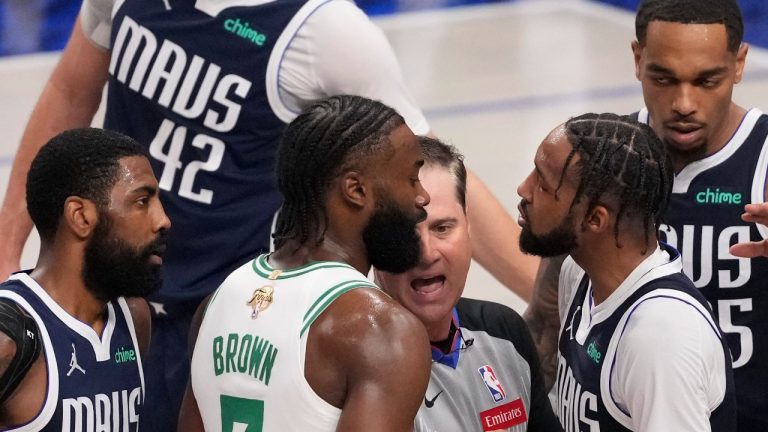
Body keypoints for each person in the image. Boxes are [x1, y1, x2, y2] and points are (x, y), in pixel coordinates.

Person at [0, 1, 537, 427]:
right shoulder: (377, 332)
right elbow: (70, 92)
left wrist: (551, 292)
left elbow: (431, 169)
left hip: (214, 308)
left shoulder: (328, 31)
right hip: (129, 305)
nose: (420, 199)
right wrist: (4, 246)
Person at [526, 1, 768, 430]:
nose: (684, 102)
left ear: (739, 63)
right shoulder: (602, 160)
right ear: (638, 59)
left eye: (707, 80)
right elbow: (549, 322)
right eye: (664, 78)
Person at [177, 95, 431, 432]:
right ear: (355, 190)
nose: (422, 197)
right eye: (412, 178)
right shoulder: (380, 329)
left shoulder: (216, 304)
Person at [518, 113, 735, 431]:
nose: (524, 189)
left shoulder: (660, 337)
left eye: (542, 182)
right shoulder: (577, 274)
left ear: (595, 220)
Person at [374, 136, 560, 432]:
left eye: (442, 228)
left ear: (469, 230)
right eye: (405, 231)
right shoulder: (354, 366)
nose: (426, 253)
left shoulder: (505, 332)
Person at [0, 128, 170, 429]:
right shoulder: (9, 337)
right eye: (142, 201)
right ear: (81, 216)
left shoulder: (134, 317)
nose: (162, 220)